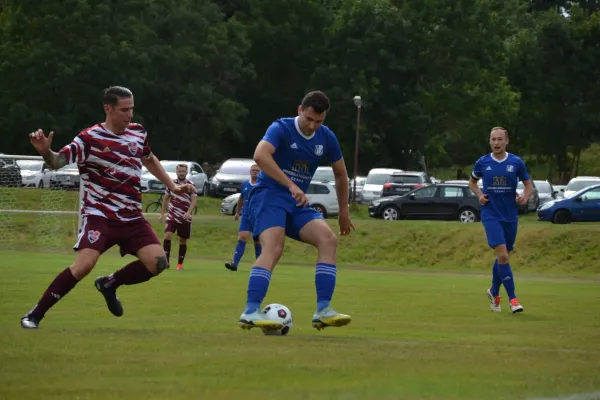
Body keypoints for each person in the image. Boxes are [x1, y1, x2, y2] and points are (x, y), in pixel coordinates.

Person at [21, 86, 195, 329]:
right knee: (83, 266)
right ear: (108, 109)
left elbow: (149, 158)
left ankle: (110, 284)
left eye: (132, 109)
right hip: (99, 215)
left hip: (131, 216)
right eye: (124, 110)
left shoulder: (138, 132)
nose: (130, 114)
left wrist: (172, 187)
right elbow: (57, 162)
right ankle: (35, 314)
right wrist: (44, 151)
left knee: (158, 263)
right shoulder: (89, 138)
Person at [238, 90, 355, 331]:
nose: (312, 126)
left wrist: (344, 212)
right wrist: (291, 185)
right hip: (269, 195)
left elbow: (341, 173)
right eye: (309, 119)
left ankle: (323, 310)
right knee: (274, 247)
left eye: (319, 122)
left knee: (328, 239)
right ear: (299, 110)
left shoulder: (326, 138)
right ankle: (250, 311)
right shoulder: (281, 128)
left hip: (296, 202)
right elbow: (260, 155)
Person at [468, 127, 532, 314]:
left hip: (510, 215)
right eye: (493, 139)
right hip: (491, 214)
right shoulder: (483, 162)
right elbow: (472, 182)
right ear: (490, 142)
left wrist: (525, 197)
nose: (496, 143)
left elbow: (528, 184)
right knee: (503, 256)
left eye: (499, 139)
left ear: (506, 141)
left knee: (504, 257)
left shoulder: (516, 162)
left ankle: (494, 291)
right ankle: (513, 300)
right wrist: (479, 194)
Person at [159, 163, 197, 271]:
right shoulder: (171, 184)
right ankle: (166, 261)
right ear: (176, 172)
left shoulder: (191, 185)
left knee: (182, 240)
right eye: (179, 171)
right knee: (167, 235)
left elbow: (194, 201)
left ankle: (179, 264)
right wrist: (162, 214)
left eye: (183, 171)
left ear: (186, 172)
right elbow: (165, 199)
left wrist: (189, 212)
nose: (181, 173)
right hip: (172, 215)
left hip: (184, 216)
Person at [225, 164, 262, 271]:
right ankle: (234, 264)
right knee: (242, 237)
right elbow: (241, 198)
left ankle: (259, 265)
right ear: (250, 172)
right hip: (246, 215)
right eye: (253, 170)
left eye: (257, 170)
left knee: (257, 241)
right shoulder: (245, 184)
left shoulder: (263, 184)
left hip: (258, 216)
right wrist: (237, 213)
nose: (255, 172)